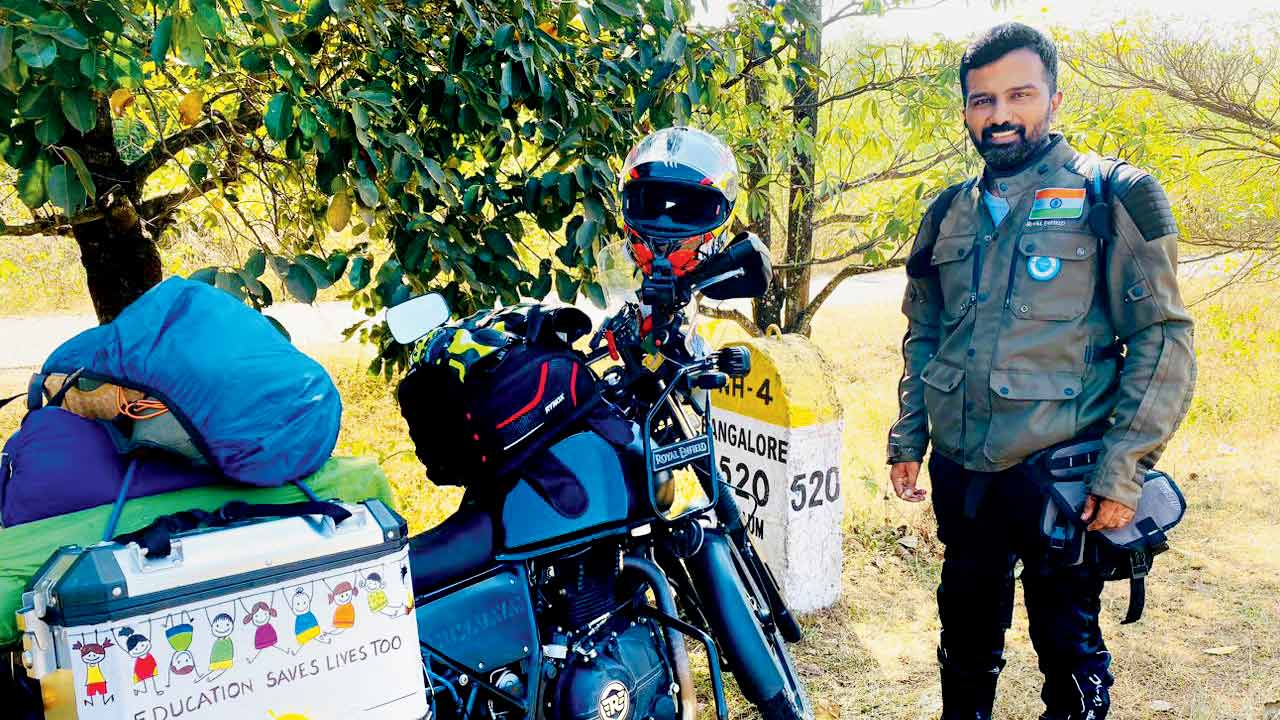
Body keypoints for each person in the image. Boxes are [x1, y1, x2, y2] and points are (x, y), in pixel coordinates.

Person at [885, 22, 1196, 720]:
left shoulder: (1112, 195)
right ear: (966, 110)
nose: (999, 115)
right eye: (982, 100)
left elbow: (1163, 338)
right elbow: (925, 332)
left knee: (1068, 651)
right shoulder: (947, 212)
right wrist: (909, 439)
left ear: (1055, 98)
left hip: (1064, 477)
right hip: (964, 470)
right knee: (964, 642)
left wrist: (1125, 469)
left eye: (1018, 95)